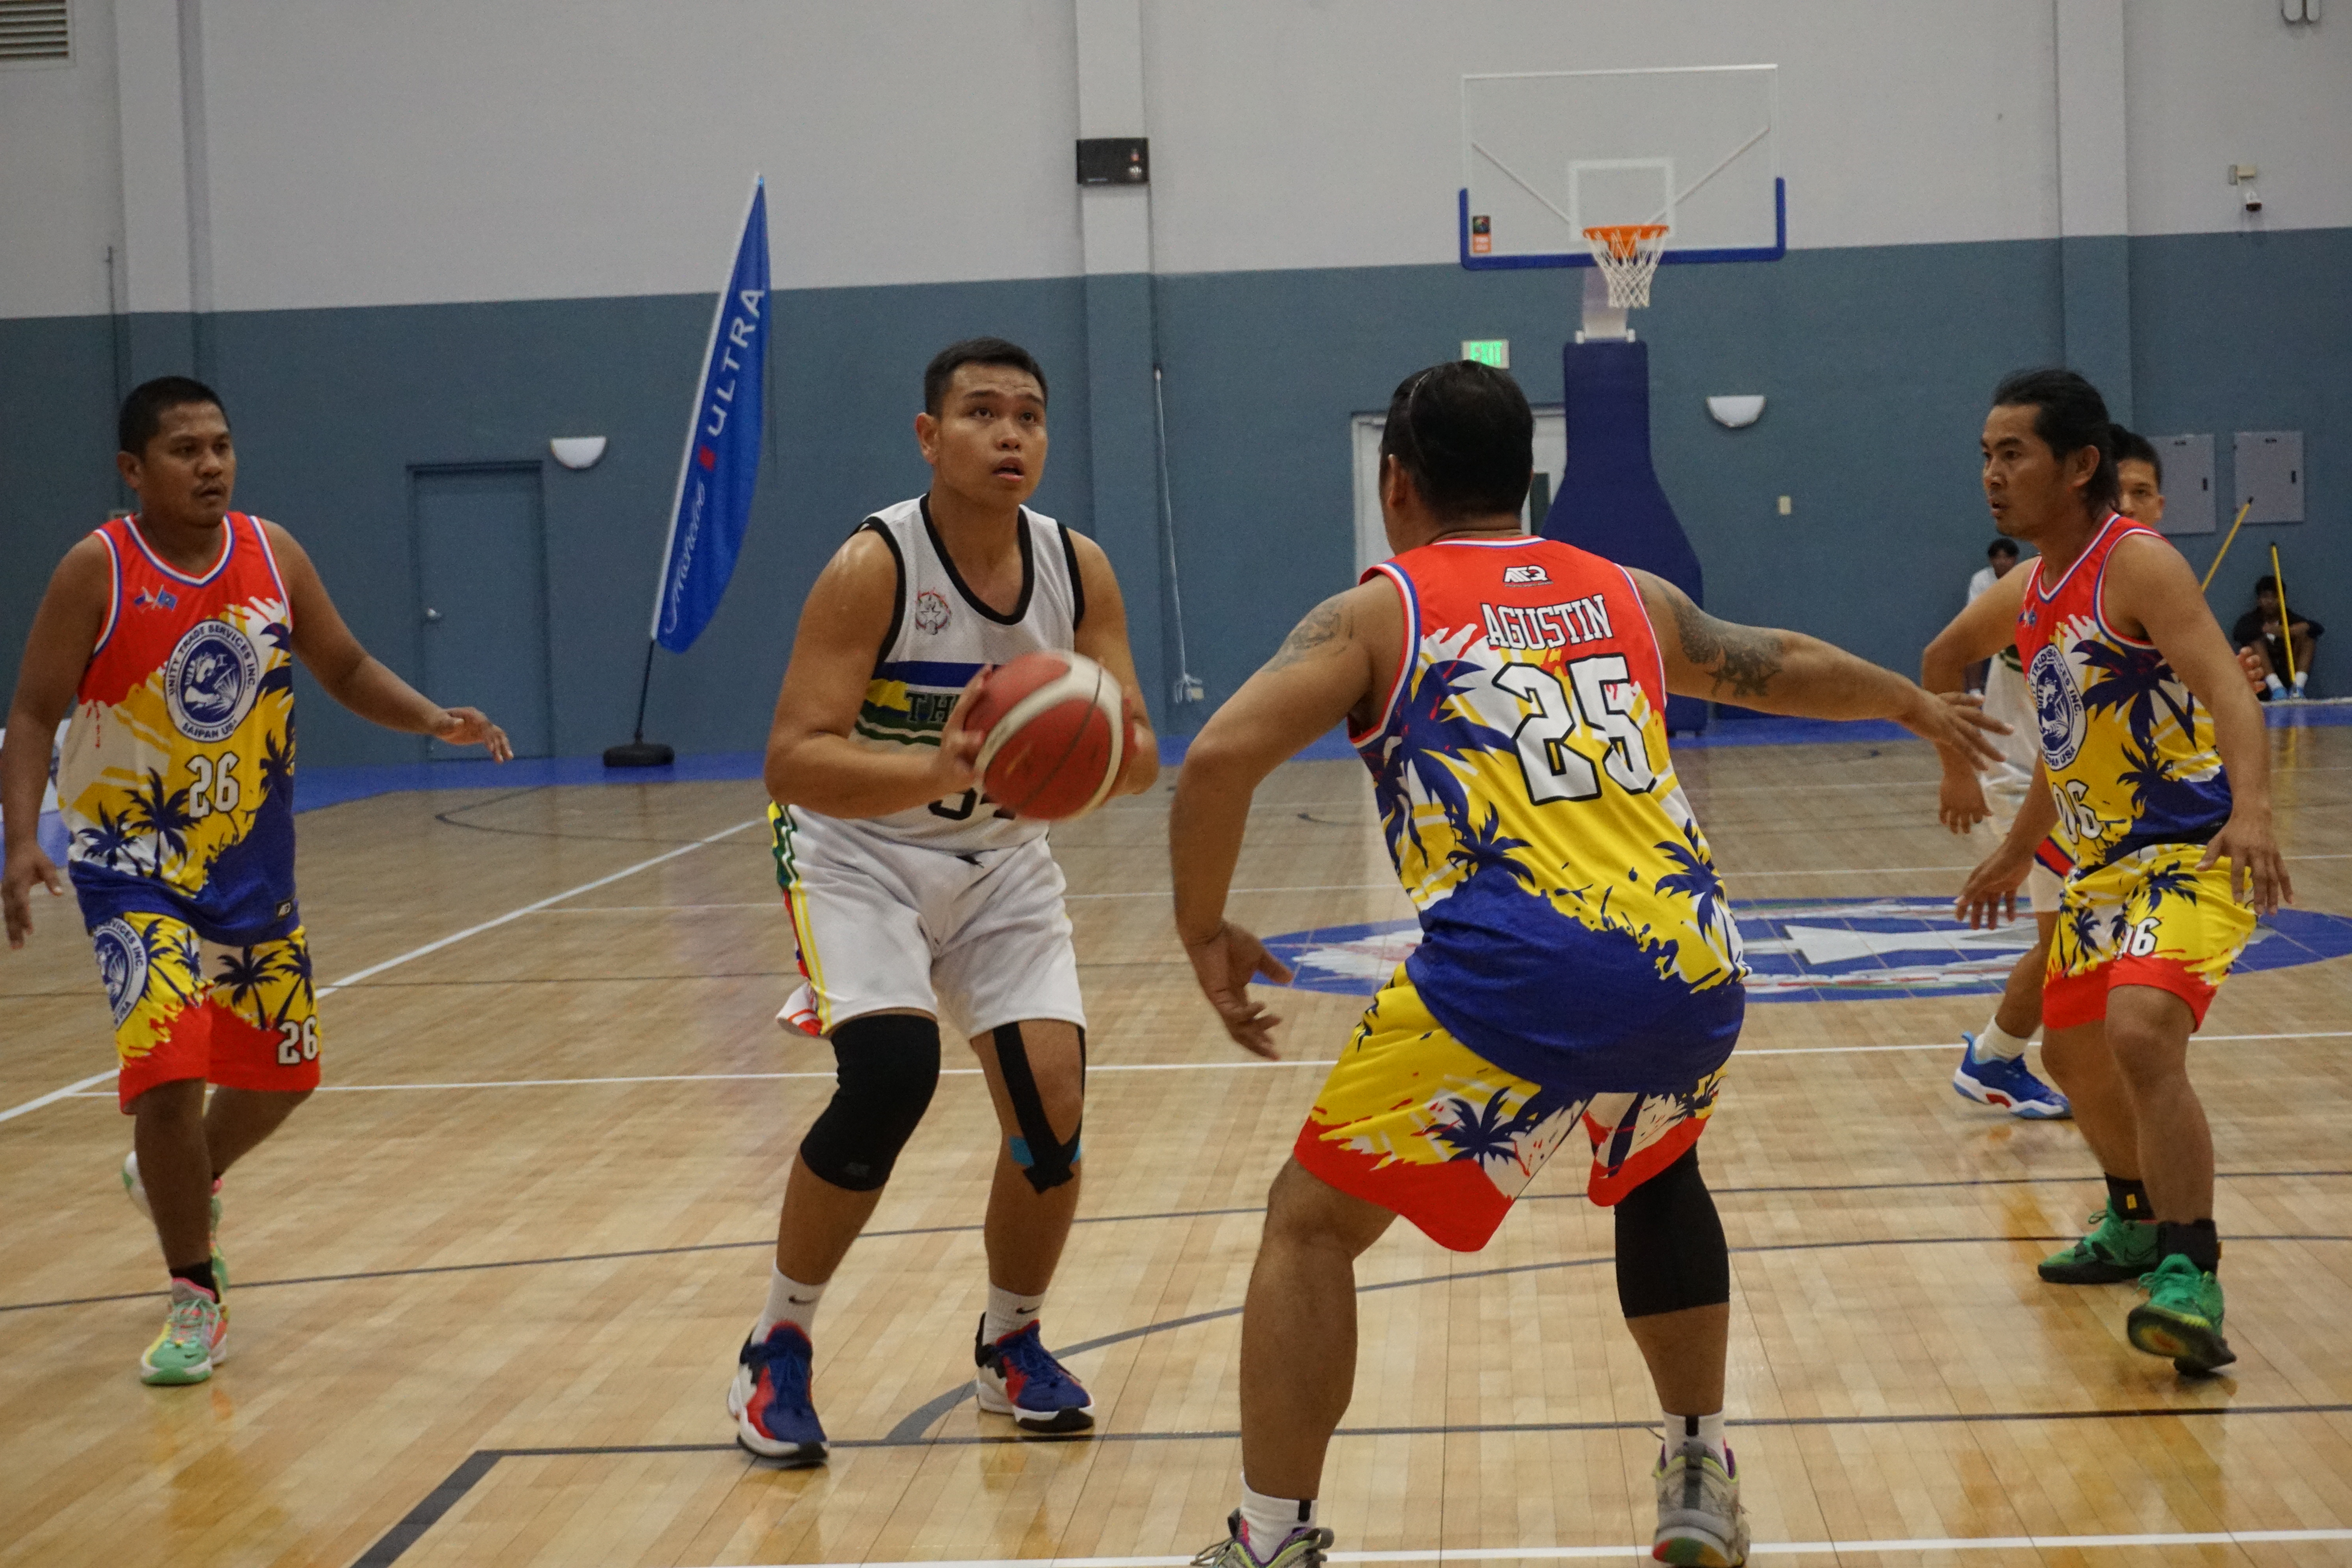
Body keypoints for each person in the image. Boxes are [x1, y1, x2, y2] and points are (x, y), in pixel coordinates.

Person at [1169, 361, 2004, 1568]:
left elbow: (1215, 763)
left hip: (1514, 976)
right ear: (1527, 480)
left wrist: (1205, 927)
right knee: (1657, 1169)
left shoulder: (1375, 612)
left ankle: (1268, 1537)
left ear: (1393, 482)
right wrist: (1911, 707)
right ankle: (1695, 1467)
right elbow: (1764, 656)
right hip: (1688, 964)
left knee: (1306, 1226)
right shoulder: (1627, 592)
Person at [0, 376, 511, 1386]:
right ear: (133, 471)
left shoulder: (271, 553)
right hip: (129, 865)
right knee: (168, 1067)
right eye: (186, 450)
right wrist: (25, 838)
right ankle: (197, 1292)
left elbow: (346, 663)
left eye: (222, 446)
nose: (211, 465)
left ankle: (175, 1176)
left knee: (285, 1070)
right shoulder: (95, 570)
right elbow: (30, 713)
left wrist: (429, 717)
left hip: (248, 866)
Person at [730, 338, 1160, 1464]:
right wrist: (946, 769)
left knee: (1051, 1113)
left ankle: (1009, 1343)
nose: (1010, 434)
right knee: (890, 1077)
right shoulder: (874, 566)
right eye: (981, 414)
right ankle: (779, 1342)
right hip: (855, 851)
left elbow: (1143, 750)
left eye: (1029, 415)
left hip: (1004, 862)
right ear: (930, 436)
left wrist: (1086, 745)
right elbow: (790, 761)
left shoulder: (1079, 567)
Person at [1935, 370, 2287, 1376]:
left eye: (2015, 454)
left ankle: (2191, 1272)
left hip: (2190, 850)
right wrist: (2008, 838)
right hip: (2098, 869)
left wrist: (2254, 810)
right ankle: (2134, 1218)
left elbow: (2229, 687)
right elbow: (2060, 734)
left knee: (2139, 1034)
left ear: (2080, 464)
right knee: (2071, 1058)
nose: (1994, 475)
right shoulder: (2033, 585)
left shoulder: (2136, 562)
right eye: (1987, 455)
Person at [2232, 575, 2321, 700]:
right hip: (2262, 684)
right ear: (2258, 600)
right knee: (2254, 640)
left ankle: (2298, 690)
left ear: (2283, 599)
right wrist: (2263, 630)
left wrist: (2286, 631)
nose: (2270, 601)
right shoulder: (2251, 620)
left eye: (2275, 597)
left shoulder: (2291, 618)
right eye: (2265, 597)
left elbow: (2317, 629)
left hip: (2288, 678)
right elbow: (2239, 633)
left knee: (2308, 638)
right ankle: (2277, 689)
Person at [1964, 540, 2022, 692]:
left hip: (2017, 628)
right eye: (1997, 558)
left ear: (2015, 559)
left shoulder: (2024, 576)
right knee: (1972, 642)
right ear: (1991, 560)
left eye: (2007, 558)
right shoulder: (1981, 579)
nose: (2002, 562)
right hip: (1989, 627)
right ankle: (1975, 691)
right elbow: (1974, 610)